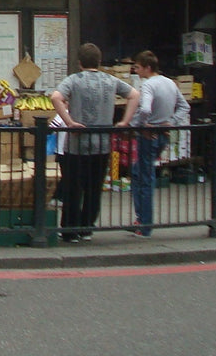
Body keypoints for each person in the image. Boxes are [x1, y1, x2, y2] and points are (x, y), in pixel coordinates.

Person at [51, 42, 139, 242]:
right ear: (99, 61)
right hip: (102, 143)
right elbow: (134, 95)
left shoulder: (73, 80)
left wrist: (70, 122)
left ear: (79, 62)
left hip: (77, 144)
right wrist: (124, 121)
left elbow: (56, 97)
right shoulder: (110, 80)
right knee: (94, 188)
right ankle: (87, 227)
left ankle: (70, 230)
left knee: (74, 188)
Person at [130, 50, 182, 237]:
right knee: (138, 172)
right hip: (163, 134)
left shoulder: (148, 85)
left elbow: (144, 109)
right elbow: (184, 106)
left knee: (145, 178)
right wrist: (172, 122)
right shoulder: (170, 83)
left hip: (148, 136)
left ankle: (145, 225)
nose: (136, 71)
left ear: (148, 68)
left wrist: (141, 125)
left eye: (138, 67)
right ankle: (140, 218)